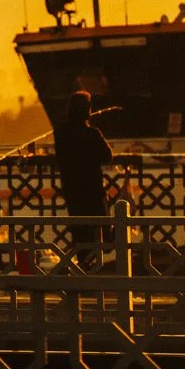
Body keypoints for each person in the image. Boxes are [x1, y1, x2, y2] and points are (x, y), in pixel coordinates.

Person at [52, 91, 115, 267]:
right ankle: (90, 265)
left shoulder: (60, 134)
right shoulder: (92, 134)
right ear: (87, 111)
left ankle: (83, 266)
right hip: (93, 191)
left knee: (80, 232)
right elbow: (107, 155)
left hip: (72, 191)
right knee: (103, 232)